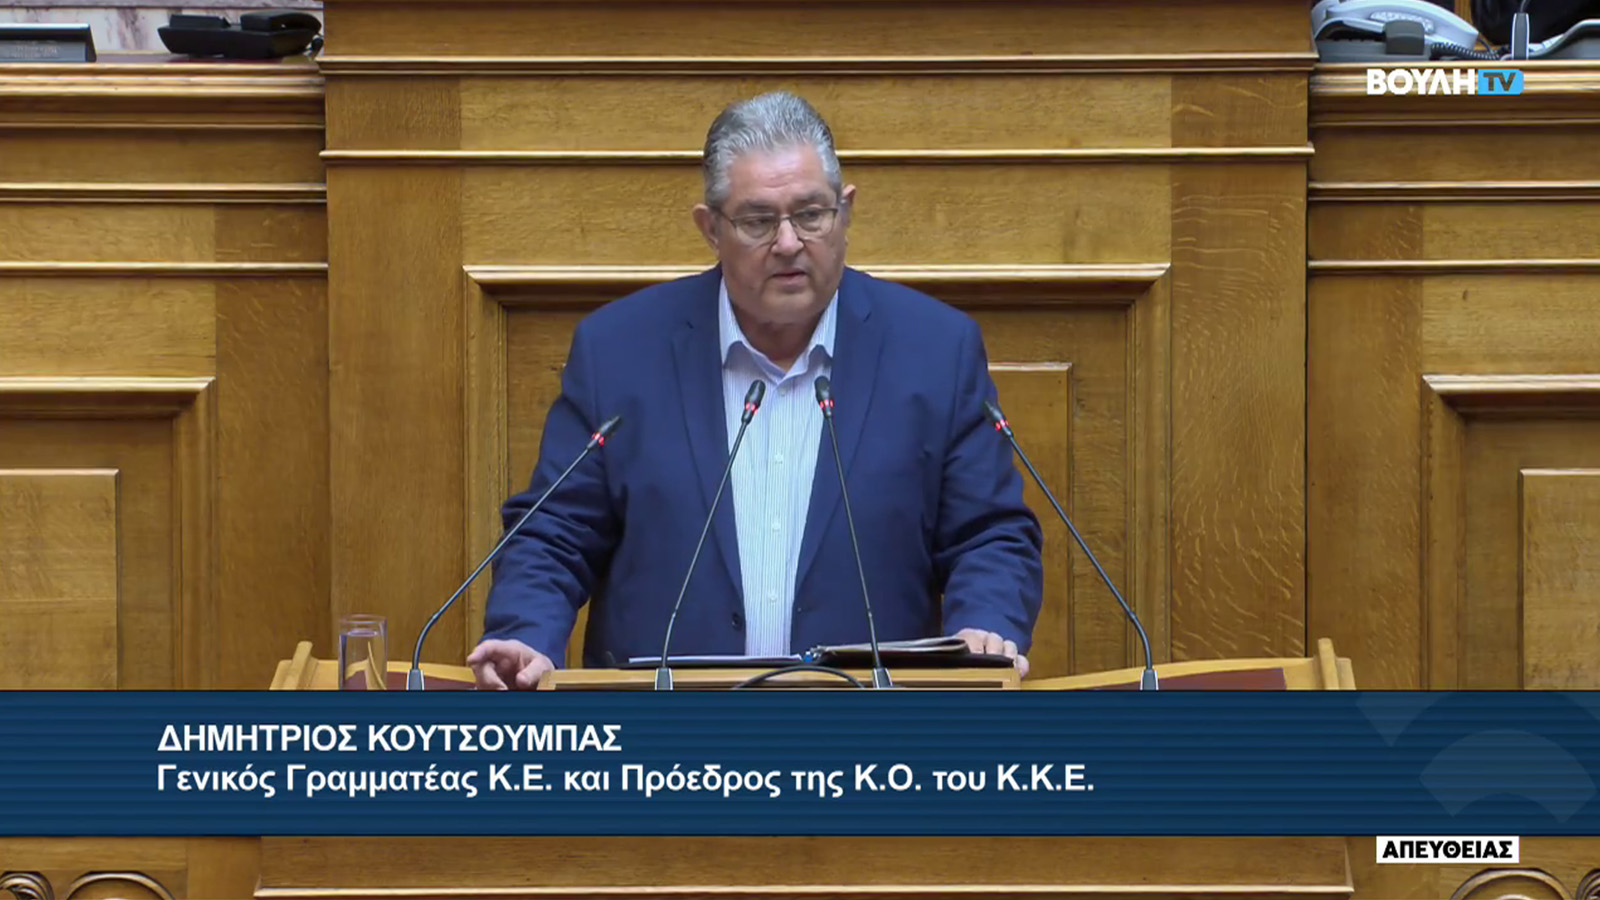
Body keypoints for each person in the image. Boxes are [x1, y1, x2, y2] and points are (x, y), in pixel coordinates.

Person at [468, 91, 1043, 690]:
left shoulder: (935, 350)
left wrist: (984, 626)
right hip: (668, 729)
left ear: (845, 212)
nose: (789, 242)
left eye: (811, 215)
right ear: (711, 229)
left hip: (868, 725)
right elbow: (554, 531)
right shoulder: (619, 351)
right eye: (758, 221)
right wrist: (528, 634)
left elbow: (990, 534)